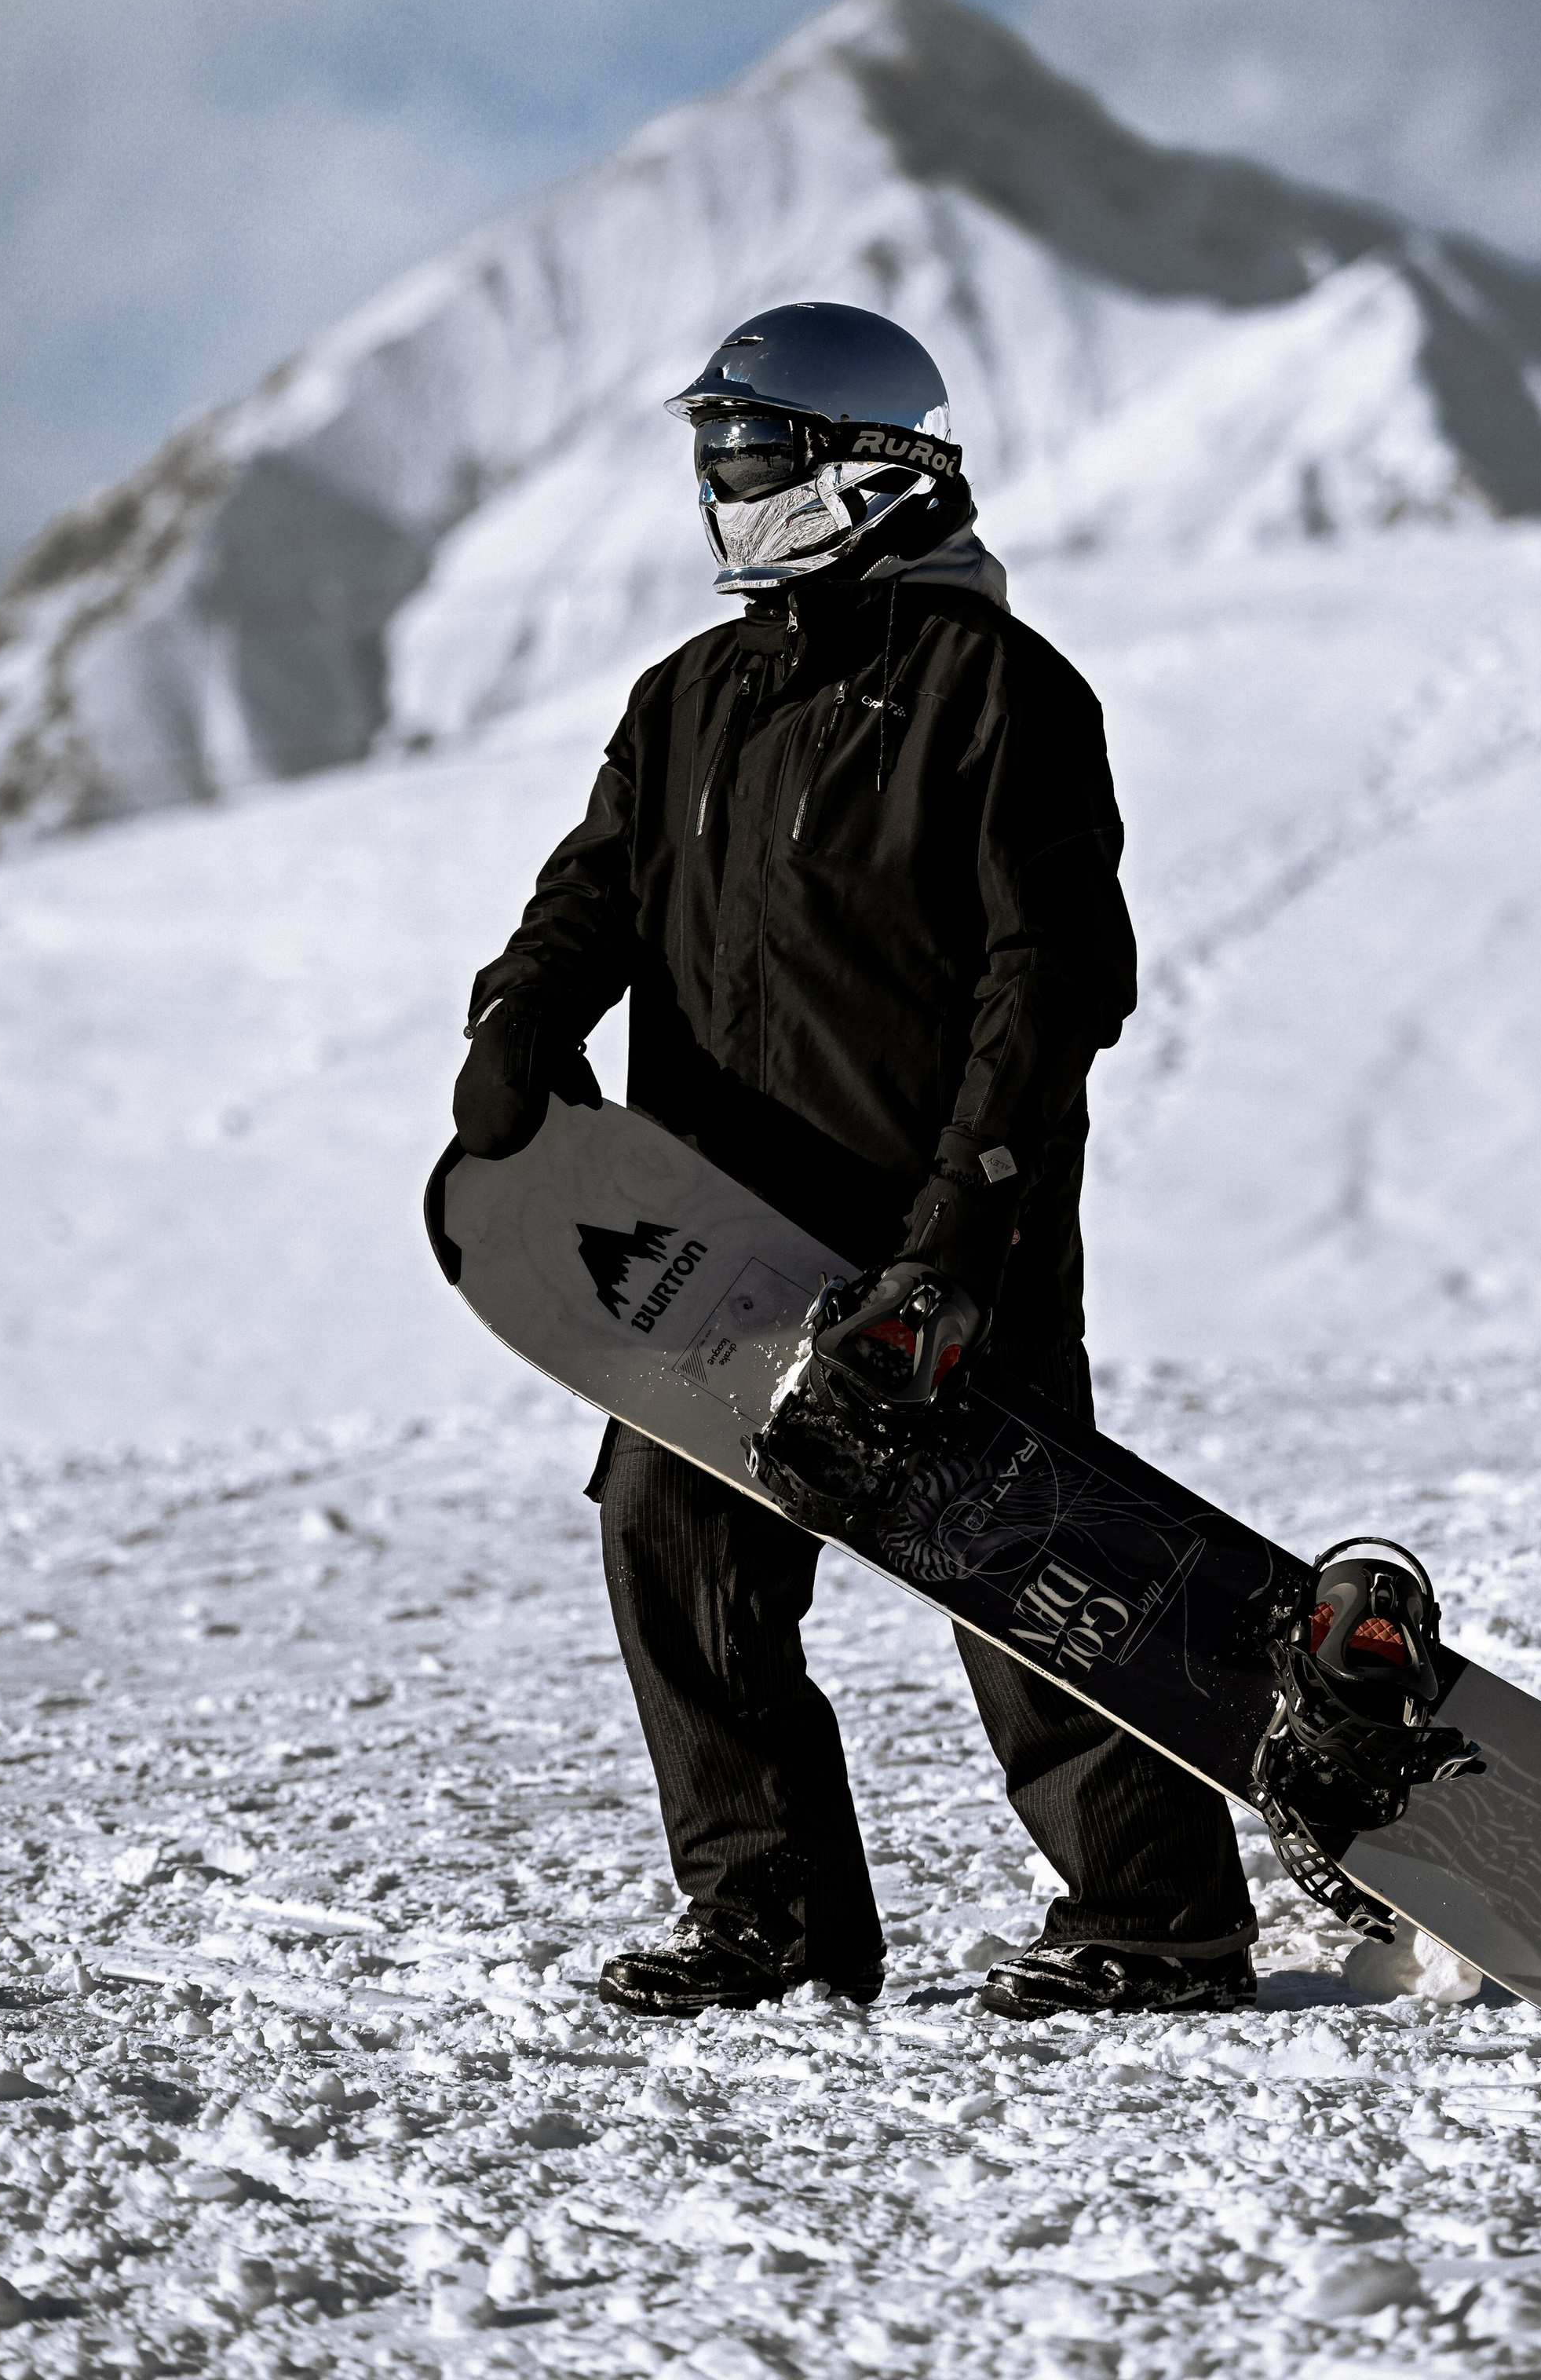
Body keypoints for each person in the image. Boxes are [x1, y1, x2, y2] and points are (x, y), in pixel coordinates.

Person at [450, 302, 1257, 2020]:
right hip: (715, 1221)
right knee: (672, 1532)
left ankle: (1161, 1914)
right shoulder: (694, 695)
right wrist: (521, 1015)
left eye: (748, 452)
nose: (718, 486)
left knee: (1015, 1556)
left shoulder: (996, 693)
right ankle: (775, 1916)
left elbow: (1052, 976)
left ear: (862, 467)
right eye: (707, 454)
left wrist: (965, 1217)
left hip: (934, 1219)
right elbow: (594, 887)